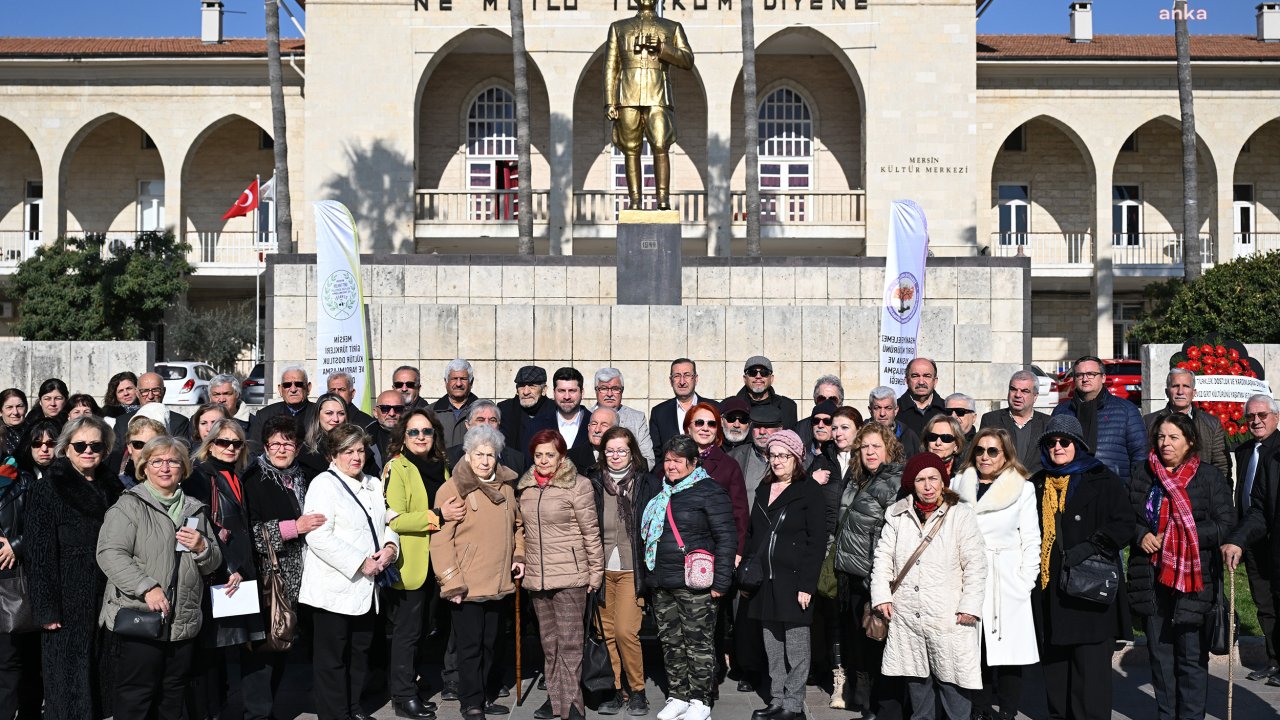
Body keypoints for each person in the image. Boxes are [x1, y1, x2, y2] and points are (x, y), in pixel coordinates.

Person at [96, 435, 222, 720]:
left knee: (172, 694)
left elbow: (213, 562)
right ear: (145, 468)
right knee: (136, 695)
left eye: (173, 461)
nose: (165, 468)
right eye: (157, 462)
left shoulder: (194, 508)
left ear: (183, 468)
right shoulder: (129, 506)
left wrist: (202, 547)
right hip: (141, 616)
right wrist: (146, 587)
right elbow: (110, 554)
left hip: (183, 620)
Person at [1128, 412, 1234, 720]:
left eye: (1173, 437)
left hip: (1193, 581)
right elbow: (1125, 517)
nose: (1165, 443)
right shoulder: (1142, 473)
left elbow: (1225, 525)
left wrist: (1181, 535)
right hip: (1151, 576)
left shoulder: (1209, 477)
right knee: (1160, 659)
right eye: (1161, 437)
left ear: (1189, 441)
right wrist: (1141, 534)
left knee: (1190, 658)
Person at [1030, 414, 1132, 720]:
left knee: (1090, 681)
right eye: (1051, 442)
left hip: (1090, 591)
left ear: (1078, 444)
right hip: (1050, 592)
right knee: (1056, 676)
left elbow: (1125, 524)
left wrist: (1090, 547)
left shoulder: (1101, 478)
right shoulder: (1036, 483)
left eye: (1065, 442)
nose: (1057, 448)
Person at [871, 452, 987, 720]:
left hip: (949, 617)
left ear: (943, 481)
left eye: (933, 478)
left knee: (954, 689)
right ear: (912, 483)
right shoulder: (897, 514)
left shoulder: (961, 515)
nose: (928, 486)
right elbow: (883, 558)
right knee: (918, 688)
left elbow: (976, 565)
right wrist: (881, 596)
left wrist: (969, 605)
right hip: (908, 617)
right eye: (921, 480)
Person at [26, 415, 123, 720]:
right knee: (68, 679)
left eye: (96, 445)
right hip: (67, 597)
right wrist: (46, 608)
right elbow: (39, 553)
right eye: (80, 445)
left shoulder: (114, 486)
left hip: (108, 593)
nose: (88, 451)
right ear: (66, 448)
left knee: (103, 675)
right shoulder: (48, 489)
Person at [301, 424, 400, 720]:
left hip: (367, 588)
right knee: (333, 659)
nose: (356, 457)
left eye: (360, 450)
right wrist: (360, 562)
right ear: (334, 454)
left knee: (360, 652)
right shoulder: (323, 484)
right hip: (334, 588)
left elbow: (388, 521)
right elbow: (318, 536)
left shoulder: (373, 483)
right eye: (348, 451)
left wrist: (391, 548)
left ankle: (353, 708)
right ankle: (334, 714)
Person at [639, 435, 736, 720]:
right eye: (667, 460)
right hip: (662, 582)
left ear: (693, 463)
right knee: (671, 642)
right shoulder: (662, 493)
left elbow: (726, 538)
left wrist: (721, 582)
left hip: (695, 583)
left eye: (677, 461)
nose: (670, 466)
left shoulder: (709, 491)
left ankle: (700, 700)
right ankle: (678, 695)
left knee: (698, 643)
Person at [433, 425, 527, 720]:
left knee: (491, 645)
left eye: (490, 455)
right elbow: (440, 541)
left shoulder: (507, 486)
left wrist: (519, 555)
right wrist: (451, 582)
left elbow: (518, 526)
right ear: (467, 454)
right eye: (479, 454)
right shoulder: (452, 488)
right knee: (470, 648)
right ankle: (470, 702)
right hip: (468, 586)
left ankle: (486, 696)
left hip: (499, 583)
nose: (485, 461)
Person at [952, 428, 1041, 720]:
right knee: (974, 647)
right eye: (980, 450)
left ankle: (1007, 710)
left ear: (1005, 455)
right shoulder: (957, 484)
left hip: (1006, 576)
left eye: (993, 451)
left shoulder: (1022, 487)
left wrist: (1025, 580)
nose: (985, 456)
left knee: (1009, 650)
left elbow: (1031, 538)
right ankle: (979, 708)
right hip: (968, 577)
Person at [242, 415, 326, 720]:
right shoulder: (252, 479)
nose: (280, 449)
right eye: (274, 443)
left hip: (302, 579)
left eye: (287, 443)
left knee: (282, 649)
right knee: (263, 653)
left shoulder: (307, 475)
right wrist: (294, 527)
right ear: (265, 446)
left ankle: (269, 711)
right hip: (267, 580)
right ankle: (257, 714)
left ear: (298, 446)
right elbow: (248, 533)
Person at [384, 407, 465, 720]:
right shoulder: (398, 467)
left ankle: (410, 689)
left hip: (437, 561)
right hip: (411, 564)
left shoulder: (440, 466)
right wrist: (438, 517)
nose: (421, 437)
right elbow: (396, 518)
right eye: (414, 432)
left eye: (427, 431)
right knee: (406, 634)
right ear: (403, 437)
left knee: (422, 632)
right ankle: (403, 697)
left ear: (435, 435)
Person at [518, 428, 604, 720]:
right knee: (549, 644)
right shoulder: (526, 488)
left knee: (569, 643)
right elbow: (522, 531)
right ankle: (555, 700)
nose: (543, 460)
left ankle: (573, 704)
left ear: (561, 456)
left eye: (549, 455)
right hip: (538, 579)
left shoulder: (578, 485)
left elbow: (591, 531)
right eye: (539, 455)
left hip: (570, 576)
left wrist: (596, 573)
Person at [745, 430, 826, 720]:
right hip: (766, 580)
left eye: (784, 456)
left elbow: (817, 542)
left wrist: (807, 585)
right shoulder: (764, 489)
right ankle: (777, 699)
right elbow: (753, 533)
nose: (777, 461)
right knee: (773, 646)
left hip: (794, 582)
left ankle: (794, 705)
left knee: (797, 647)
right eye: (773, 455)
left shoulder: (810, 491)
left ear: (797, 458)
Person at [187, 419, 265, 719]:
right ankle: (209, 711)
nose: (230, 448)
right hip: (218, 574)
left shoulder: (241, 474)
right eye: (223, 442)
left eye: (237, 443)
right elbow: (197, 526)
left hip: (243, 572)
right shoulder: (199, 476)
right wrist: (226, 566)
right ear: (210, 444)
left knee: (245, 646)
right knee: (213, 651)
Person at [830, 422, 906, 718]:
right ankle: (867, 704)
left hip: (872, 577)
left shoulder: (895, 482)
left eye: (876, 446)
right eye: (865, 447)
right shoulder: (859, 479)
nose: (870, 452)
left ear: (889, 448)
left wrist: (880, 579)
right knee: (860, 643)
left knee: (878, 643)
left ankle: (881, 707)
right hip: (850, 575)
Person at [588, 427, 658, 716]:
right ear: (603, 453)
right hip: (601, 569)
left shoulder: (646, 483)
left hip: (633, 569)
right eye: (610, 451)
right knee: (605, 633)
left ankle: (638, 690)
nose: (616, 456)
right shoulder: (592, 483)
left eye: (622, 450)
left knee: (625, 631)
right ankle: (616, 690)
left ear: (632, 453)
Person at [604, 0, 693, 209]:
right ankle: (635, 201)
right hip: (627, 94)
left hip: (658, 94)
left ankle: (663, 200)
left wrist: (663, 48)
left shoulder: (672, 27)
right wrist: (609, 101)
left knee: (661, 145)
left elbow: (688, 60)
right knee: (630, 149)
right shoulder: (619, 27)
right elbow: (610, 67)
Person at [1225, 394, 1280, 682]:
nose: (1256, 421)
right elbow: (1249, 499)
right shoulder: (1245, 450)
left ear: (1276, 417)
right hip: (1253, 535)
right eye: (1251, 417)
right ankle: (1273, 660)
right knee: (1264, 602)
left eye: (1262, 416)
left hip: (1275, 539)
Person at [1050, 356, 1146, 485]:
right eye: (1079, 375)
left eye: (1091, 374)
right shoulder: (1061, 411)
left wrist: (1134, 496)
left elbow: (1140, 456)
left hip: (1114, 491)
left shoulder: (1127, 411)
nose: (1085, 379)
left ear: (1103, 377)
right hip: (1070, 491)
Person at [0, 435, 39, 720]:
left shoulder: (23, 481)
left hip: (8, 583)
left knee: (9, 662)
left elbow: (40, 528)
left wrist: (15, 545)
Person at [683, 401, 750, 558]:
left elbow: (740, 513)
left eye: (712, 424)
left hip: (715, 550)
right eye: (699, 423)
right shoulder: (674, 461)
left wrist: (738, 551)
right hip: (678, 547)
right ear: (688, 428)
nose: (705, 428)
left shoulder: (729, 466)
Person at [1142, 369, 1232, 477]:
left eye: (1186, 386)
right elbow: (1143, 462)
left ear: (1194, 392)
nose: (1180, 391)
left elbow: (1221, 465)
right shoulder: (1149, 422)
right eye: (1175, 386)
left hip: (1201, 490)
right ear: (1167, 392)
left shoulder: (1212, 424)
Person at [979, 370, 1051, 476]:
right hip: (1000, 485)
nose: (1017, 395)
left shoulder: (1048, 423)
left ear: (1035, 396)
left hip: (1036, 487)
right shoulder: (991, 420)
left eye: (1024, 391)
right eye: (1013, 389)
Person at [525, 367, 596, 471]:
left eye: (572, 391)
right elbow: (529, 464)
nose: (567, 396)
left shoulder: (595, 423)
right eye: (561, 391)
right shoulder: (536, 425)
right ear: (554, 393)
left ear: (582, 393)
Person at [593, 368, 656, 469]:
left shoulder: (637, 418)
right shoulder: (587, 416)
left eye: (615, 389)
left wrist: (623, 473)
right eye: (604, 388)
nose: (609, 394)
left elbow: (649, 460)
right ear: (596, 390)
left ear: (622, 390)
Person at [445, 401, 529, 475]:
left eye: (492, 420)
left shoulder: (517, 459)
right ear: (468, 425)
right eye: (480, 420)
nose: (487, 425)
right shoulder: (450, 458)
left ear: (498, 425)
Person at [649, 358, 705, 462]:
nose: (682, 382)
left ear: (696, 379)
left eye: (687, 375)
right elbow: (656, 454)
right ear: (671, 381)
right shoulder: (659, 412)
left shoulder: (713, 408)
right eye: (677, 376)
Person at [726, 356, 798, 430]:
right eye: (752, 372)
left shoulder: (787, 407)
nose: (758, 376)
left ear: (771, 379)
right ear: (745, 379)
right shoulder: (728, 405)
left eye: (764, 372)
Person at [729, 404, 786, 498]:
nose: (762, 432)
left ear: (780, 429)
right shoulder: (734, 457)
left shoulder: (796, 458)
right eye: (758, 426)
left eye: (768, 426)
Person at [249, 366, 315, 444]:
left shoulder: (320, 413)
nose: (293, 389)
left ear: (308, 388)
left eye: (299, 384)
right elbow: (255, 450)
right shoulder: (264, 416)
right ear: (280, 389)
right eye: (287, 385)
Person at [496, 365, 549, 456]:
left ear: (544, 390)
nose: (526, 392)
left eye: (532, 386)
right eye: (521, 386)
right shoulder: (505, 409)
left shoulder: (554, 410)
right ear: (517, 390)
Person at [298, 393, 351, 479]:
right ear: (318, 416)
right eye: (329, 413)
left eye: (341, 413)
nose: (336, 419)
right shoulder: (305, 451)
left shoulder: (359, 447)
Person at [431, 359, 480, 449]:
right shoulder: (430, 412)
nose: (458, 384)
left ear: (471, 382)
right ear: (446, 381)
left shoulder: (484, 411)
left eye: (463, 379)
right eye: (454, 379)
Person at [897, 358, 946, 438]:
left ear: (935, 381)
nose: (921, 382)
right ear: (907, 380)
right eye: (915, 376)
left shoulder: (947, 410)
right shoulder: (893, 411)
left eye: (927, 376)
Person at [133, 372, 193, 437]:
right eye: (145, 391)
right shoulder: (122, 422)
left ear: (163, 392)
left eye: (155, 390)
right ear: (137, 393)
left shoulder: (179, 422)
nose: (150, 396)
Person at [869, 385, 922, 457]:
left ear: (896, 410)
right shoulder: (859, 435)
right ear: (870, 410)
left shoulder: (909, 437)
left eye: (888, 408)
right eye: (877, 408)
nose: (882, 413)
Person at [795, 375, 845, 450]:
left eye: (832, 399)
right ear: (815, 400)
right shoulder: (800, 429)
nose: (827, 403)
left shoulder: (847, 428)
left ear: (840, 403)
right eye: (822, 399)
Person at [119, 416, 167, 489]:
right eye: (138, 444)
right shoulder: (117, 486)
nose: (145, 450)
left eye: (151, 444)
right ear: (129, 448)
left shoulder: (173, 481)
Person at [369, 389, 407, 467]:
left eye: (398, 409)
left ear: (405, 412)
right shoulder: (365, 435)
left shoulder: (414, 434)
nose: (392, 414)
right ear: (375, 412)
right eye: (385, 409)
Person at [0, 389, 26, 456]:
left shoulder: (34, 429)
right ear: (0, 411)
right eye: (9, 407)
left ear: (26, 408)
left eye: (19, 406)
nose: (15, 412)